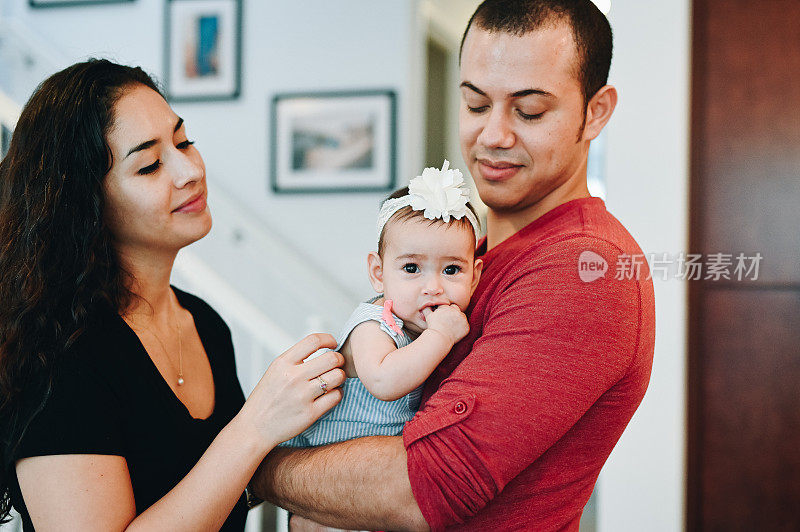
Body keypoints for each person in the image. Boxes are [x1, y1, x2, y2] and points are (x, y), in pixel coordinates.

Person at [251, 1, 656, 530]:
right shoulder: (470, 259)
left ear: (595, 112)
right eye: (474, 104)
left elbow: (423, 489)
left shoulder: (582, 269)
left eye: (529, 111)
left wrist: (254, 464)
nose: (493, 136)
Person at [0, 59, 345, 531]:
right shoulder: (61, 351)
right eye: (149, 165)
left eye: (183, 142)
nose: (189, 170)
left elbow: (216, 496)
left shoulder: (203, 322)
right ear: (85, 202)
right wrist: (254, 428)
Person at [282, 161, 482, 448]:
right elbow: (383, 382)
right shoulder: (373, 325)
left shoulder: (419, 324)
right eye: (412, 268)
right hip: (326, 451)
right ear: (379, 275)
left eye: (451, 270)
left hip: (374, 453)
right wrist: (441, 336)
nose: (434, 288)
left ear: (474, 277)